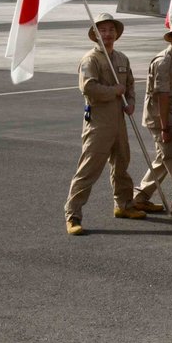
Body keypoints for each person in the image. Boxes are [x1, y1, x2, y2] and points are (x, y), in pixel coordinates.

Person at [65, 13, 145, 235]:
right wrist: (114, 92)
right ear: (95, 35)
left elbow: (129, 84)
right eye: (103, 30)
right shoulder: (91, 60)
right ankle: (73, 215)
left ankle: (124, 204)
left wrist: (130, 103)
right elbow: (88, 88)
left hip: (119, 120)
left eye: (111, 30)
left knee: (122, 163)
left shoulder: (121, 58)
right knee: (89, 168)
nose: (108, 34)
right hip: (99, 122)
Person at [133, 18, 172, 213]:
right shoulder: (164, 61)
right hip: (162, 116)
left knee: (163, 157)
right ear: (171, 38)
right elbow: (162, 96)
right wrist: (165, 127)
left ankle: (140, 195)